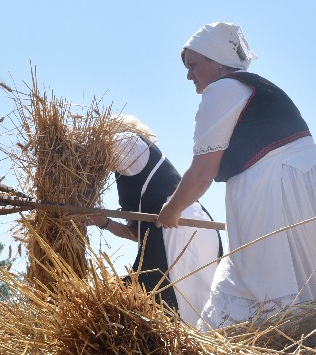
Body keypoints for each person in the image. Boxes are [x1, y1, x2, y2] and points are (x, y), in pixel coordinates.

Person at [157, 22, 316, 330]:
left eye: (194, 65)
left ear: (216, 60)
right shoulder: (255, 87)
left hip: (283, 191)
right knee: (312, 308)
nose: (189, 75)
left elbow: (202, 173)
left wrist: (171, 210)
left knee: (274, 309)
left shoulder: (222, 89)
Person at [88, 115, 222, 326]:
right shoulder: (130, 171)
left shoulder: (129, 142)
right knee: (190, 298)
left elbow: (86, 156)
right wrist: (104, 222)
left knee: (165, 300)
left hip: (178, 227)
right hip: (184, 226)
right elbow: (137, 234)